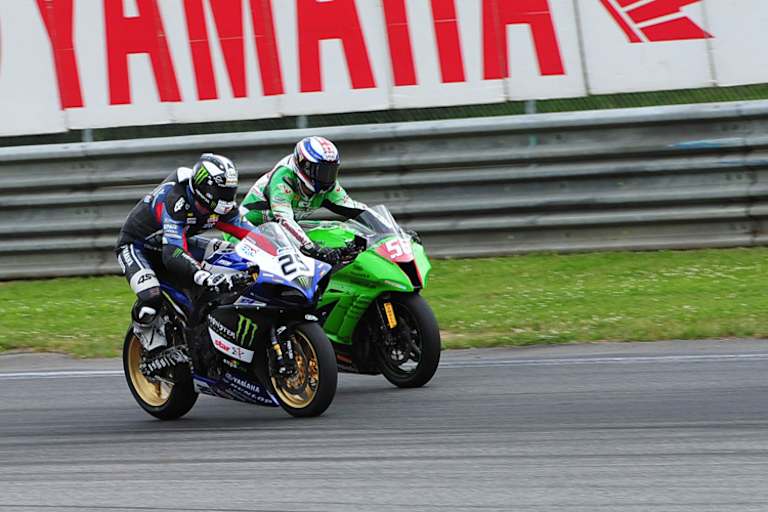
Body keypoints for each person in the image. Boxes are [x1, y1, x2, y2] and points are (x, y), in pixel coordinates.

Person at [115, 153, 254, 350]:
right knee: (151, 296)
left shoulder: (222, 207)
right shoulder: (175, 199)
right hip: (137, 246)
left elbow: (252, 234)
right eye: (221, 191)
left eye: (229, 191)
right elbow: (173, 252)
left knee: (234, 256)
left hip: (174, 242)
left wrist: (284, 249)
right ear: (206, 188)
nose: (226, 197)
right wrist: (201, 275)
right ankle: (144, 332)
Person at [237, 136, 368, 264]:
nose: (326, 178)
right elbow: (284, 219)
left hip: (278, 232)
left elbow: (352, 206)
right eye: (321, 171)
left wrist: (380, 230)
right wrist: (312, 248)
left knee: (336, 230)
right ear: (304, 166)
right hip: (248, 233)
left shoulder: (329, 186)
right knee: (306, 254)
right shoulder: (284, 179)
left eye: (331, 171)